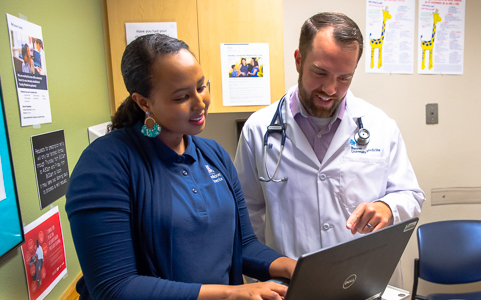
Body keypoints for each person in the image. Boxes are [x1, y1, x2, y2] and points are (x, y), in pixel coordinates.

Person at [66, 34, 295, 300]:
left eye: (201, 86)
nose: (200, 103)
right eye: (181, 97)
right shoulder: (105, 165)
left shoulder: (215, 155)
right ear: (143, 102)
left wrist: (294, 267)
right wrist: (230, 294)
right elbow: (115, 287)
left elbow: (244, 246)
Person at [234, 12, 425, 286]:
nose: (330, 88)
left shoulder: (380, 125)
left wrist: (386, 207)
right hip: (293, 286)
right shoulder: (259, 129)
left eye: (344, 78)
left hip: (366, 281)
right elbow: (248, 218)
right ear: (299, 60)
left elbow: (411, 195)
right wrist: (261, 281)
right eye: (320, 72)